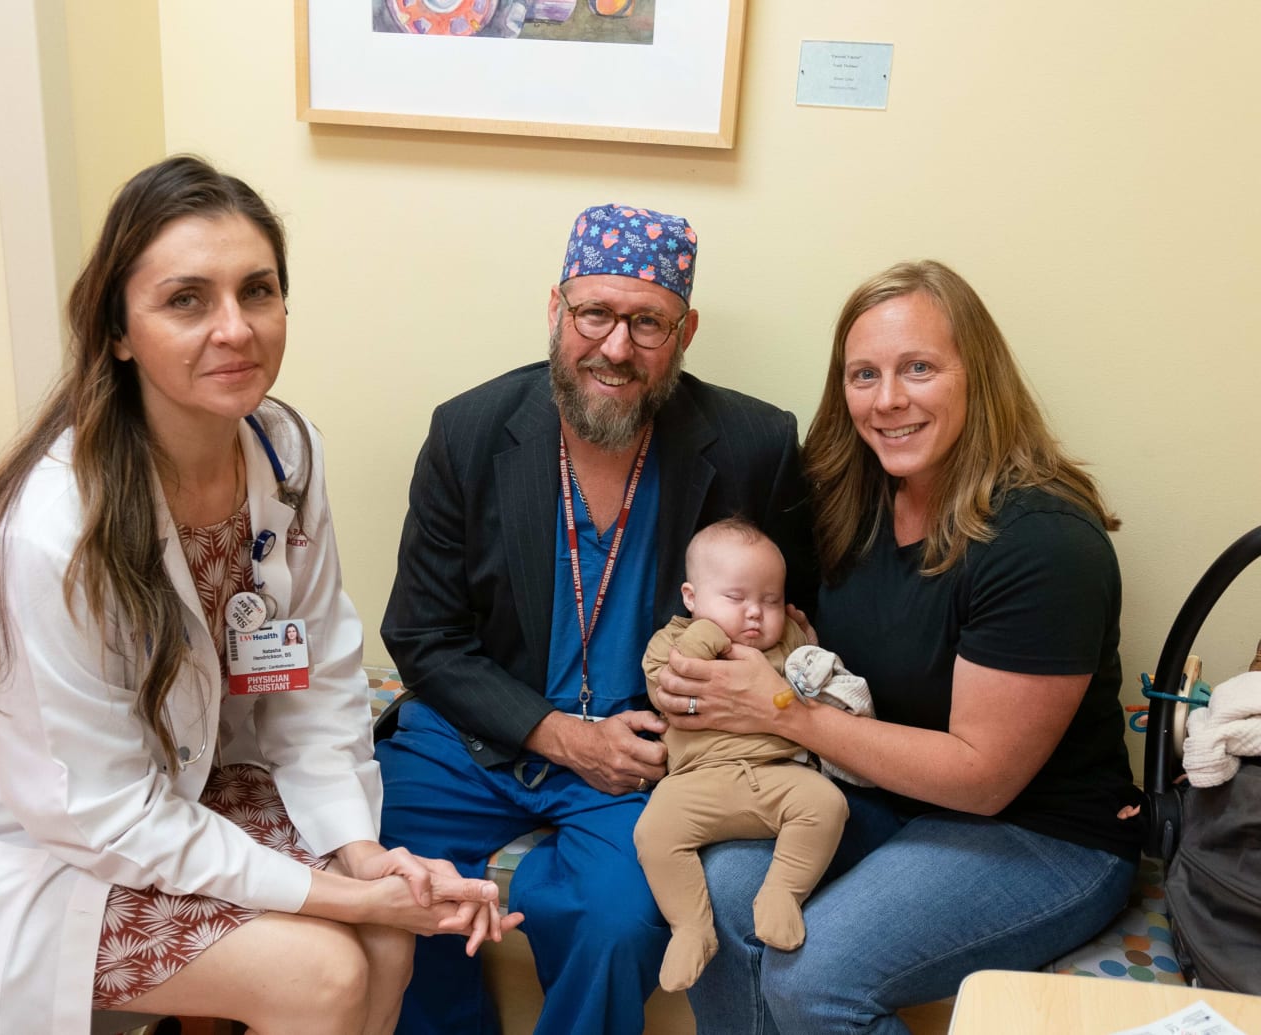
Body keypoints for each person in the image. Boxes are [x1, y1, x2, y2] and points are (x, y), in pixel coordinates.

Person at [0, 155, 517, 1035]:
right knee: (321, 972)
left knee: (388, 944)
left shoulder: (287, 452)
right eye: (187, 299)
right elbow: (97, 812)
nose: (236, 328)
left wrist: (365, 858)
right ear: (120, 329)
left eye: (259, 291)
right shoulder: (57, 531)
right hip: (33, 845)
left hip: (187, 783)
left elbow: (315, 684)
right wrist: (342, 900)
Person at [653, 260, 1145, 1034]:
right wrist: (691, 682)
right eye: (864, 374)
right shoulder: (851, 500)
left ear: (976, 376)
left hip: (1041, 833)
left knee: (814, 979)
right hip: (886, 797)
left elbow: (983, 779)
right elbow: (766, 624)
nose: (887, 400)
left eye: (918, 368)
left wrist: (782, 710)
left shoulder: (1044, 541)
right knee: (725, 889)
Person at [376, 203, 817, 1035]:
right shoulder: (468, 431)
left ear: (685, 333)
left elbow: (795, 614)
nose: (616, 347)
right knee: (392, 878)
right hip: (475, 730)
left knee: (618, 925)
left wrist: (767, 676)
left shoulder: (756, 444)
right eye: (595, 314)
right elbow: (424, 634)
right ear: (556, 310)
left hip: (650, 753)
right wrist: (557, 734)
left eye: (647, 322)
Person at [635, 518, 871, 993]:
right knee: (653, 832)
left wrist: (809, 653)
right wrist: (707, 635)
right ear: (691, 597)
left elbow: (814, 690)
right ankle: (691, 928)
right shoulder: (670, 642)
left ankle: (782, 893)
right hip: (695, 782)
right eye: (736, 598)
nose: (755, 615)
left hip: (777, 774)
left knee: (827, 806)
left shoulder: (789, 643)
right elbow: (668, 687)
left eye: (770, 601)